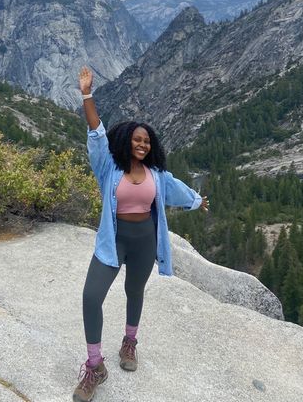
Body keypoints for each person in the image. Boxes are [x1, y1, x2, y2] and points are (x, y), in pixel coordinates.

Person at [73, 67, 209, 402]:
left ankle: (129, 343)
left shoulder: (157, 174)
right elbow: (96, 132)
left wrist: (196, 200)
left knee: (135, 291)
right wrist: (87, 95)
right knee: (92, 297)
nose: (143, 145)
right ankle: (94, 366)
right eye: (137, 139)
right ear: (126, 141)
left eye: (147, 141)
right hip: (113, 241)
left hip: (145, 240)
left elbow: (176, 190)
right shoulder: (108, 166)